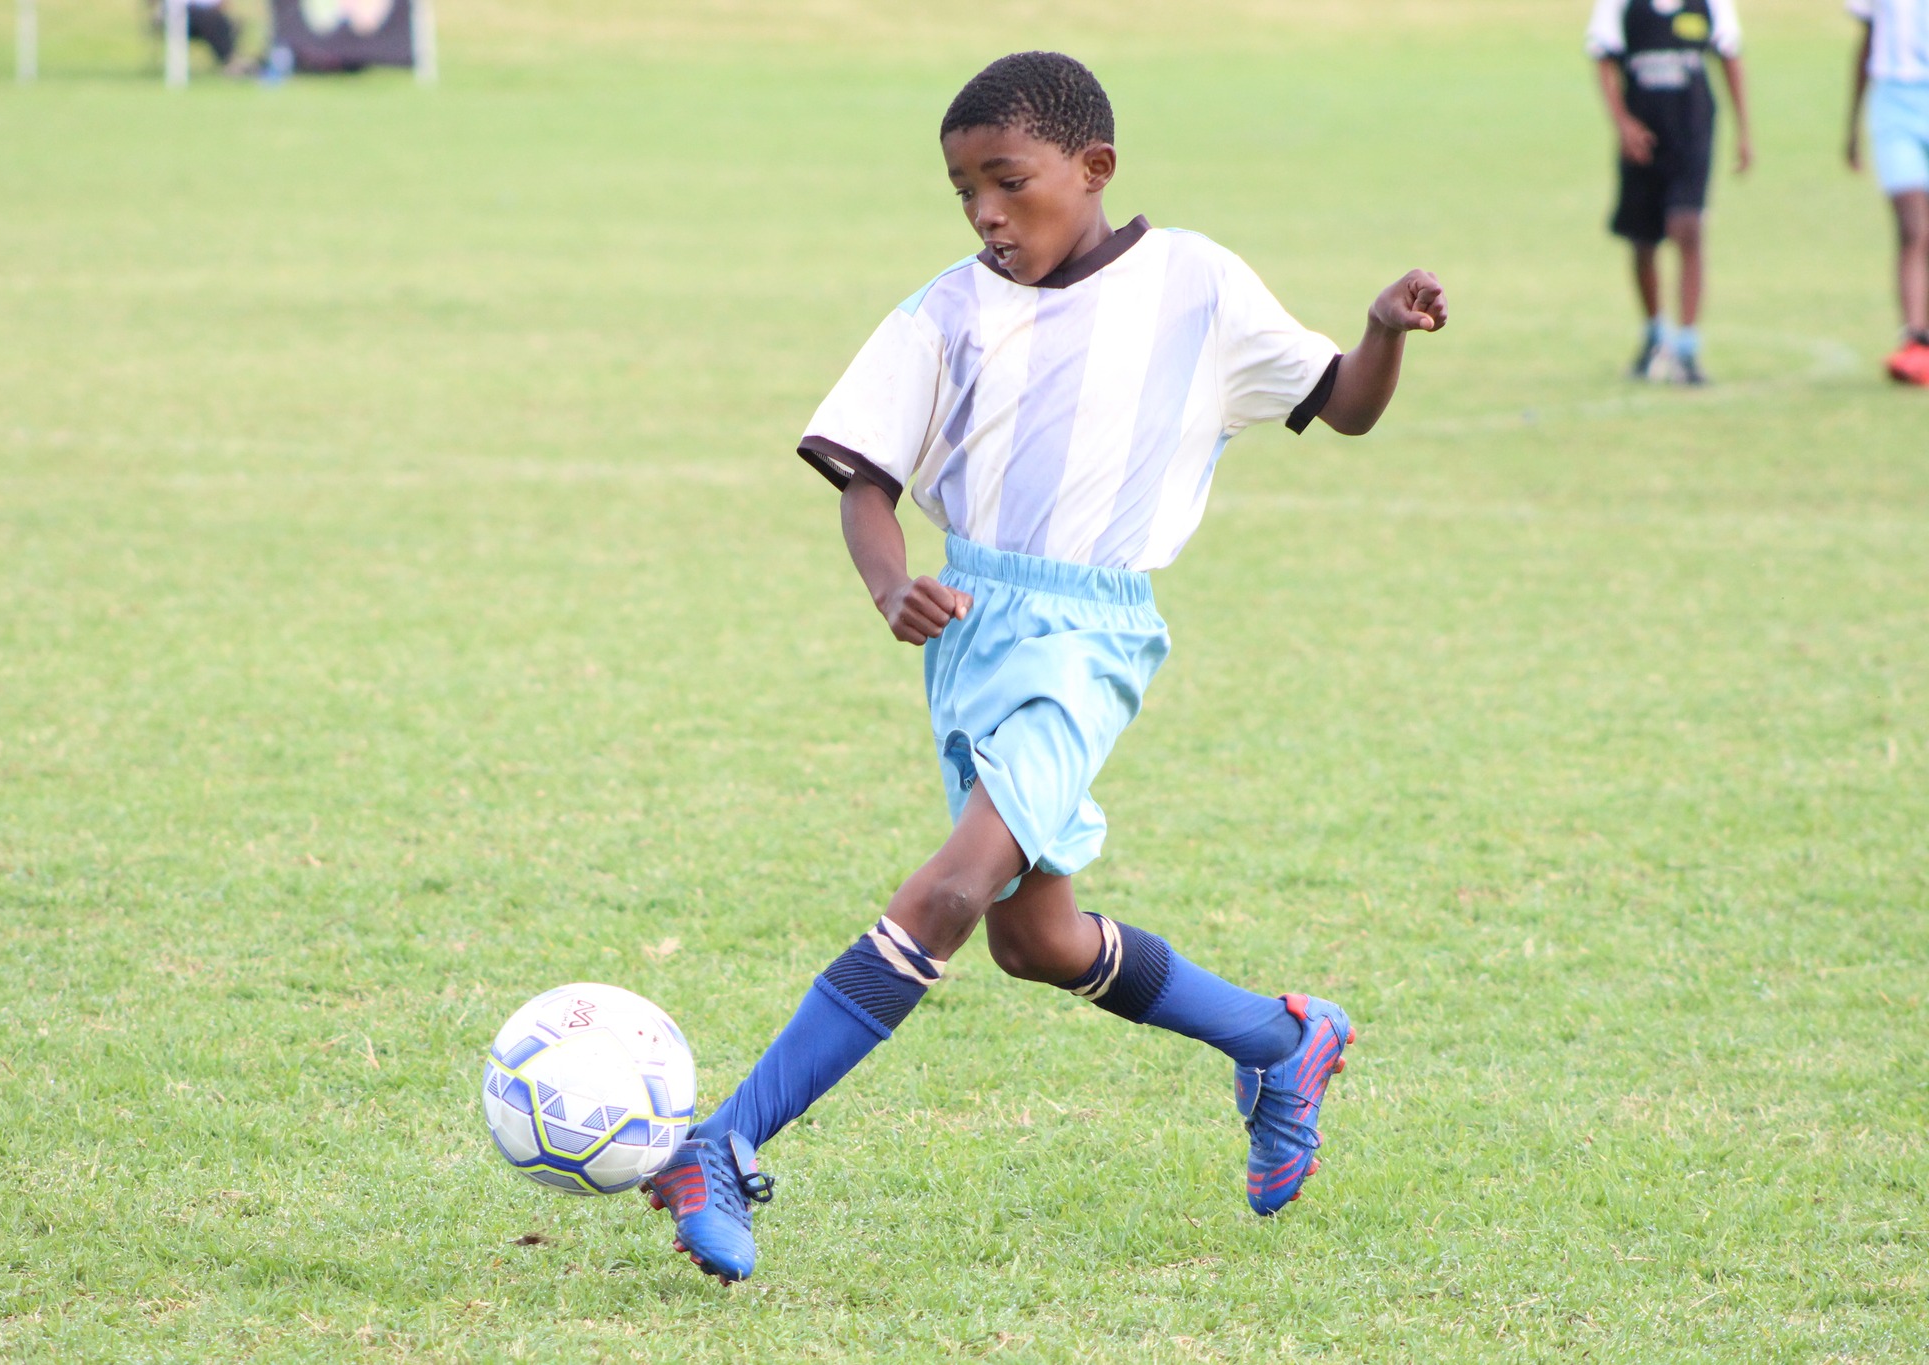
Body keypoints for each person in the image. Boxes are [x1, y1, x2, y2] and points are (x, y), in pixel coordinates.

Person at [640, 51, 1447, 1285]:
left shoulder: (1194, 284)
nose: (984, 212)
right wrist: (889, 585)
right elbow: (864, 480)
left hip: (1086, 639)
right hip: (972, 627)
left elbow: (1342, 404)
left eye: (1006, 182)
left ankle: (725, 1141)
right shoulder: (945, 312)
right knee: (1036, 940)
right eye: (963, 190)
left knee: (952, 890)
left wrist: (1380, 332)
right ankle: (1279, 1039)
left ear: (1092, 167)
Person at [1588, 0, 1752, 385]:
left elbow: (1730, 58)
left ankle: (1687, 347)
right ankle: (1654, 335)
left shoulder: (1710, 5)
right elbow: (1602, 59)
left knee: (1688, 227)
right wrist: (1623, 123)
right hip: (1642, 141)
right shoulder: (1621, 6)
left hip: (1692, 133)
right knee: (1643, 240)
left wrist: (1744, 131)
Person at [1845, 0, 1929, 384]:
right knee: (1913, 226)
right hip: (1894, 99)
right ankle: (1914, 339)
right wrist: (1852, 125)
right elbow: (1866, 40)